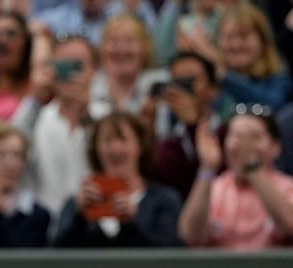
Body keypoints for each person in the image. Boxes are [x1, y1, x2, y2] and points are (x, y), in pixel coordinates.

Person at [53, 112, 183, 247]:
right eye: (107, 140)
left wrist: (132, 223)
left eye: (123, 139)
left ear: (141, 146)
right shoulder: (75, 204)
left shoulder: (164, 201)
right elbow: (56, 257)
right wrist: (79, 217)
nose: (115, 149)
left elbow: (170, 257)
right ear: (96, 149)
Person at [178, 106, 293, 248]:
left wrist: (253, 169)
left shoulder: (287, 187)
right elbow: (190, 235)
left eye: (254, 137)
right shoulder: (215, 188)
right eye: (236, 136)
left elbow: (289, 226)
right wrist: (207, 168)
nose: (244, 145)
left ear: (275, 147)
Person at [12, 36, 98, 216]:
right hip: (45, 227)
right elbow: (11, 145)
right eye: (62, 67)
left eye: (77, 66)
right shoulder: (36, 116)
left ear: (93, 71)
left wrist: (86, 114)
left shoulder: (107, 114)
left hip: (94, 228)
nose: (70, 76)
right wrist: (36, 99)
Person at [154, 51, 224, 198]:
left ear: (213, 90)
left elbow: (219, 180)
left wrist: (193, 124)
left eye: (191, 81)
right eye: (177, 81)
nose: (183, 89)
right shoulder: (167, 138)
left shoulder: (227, 133)